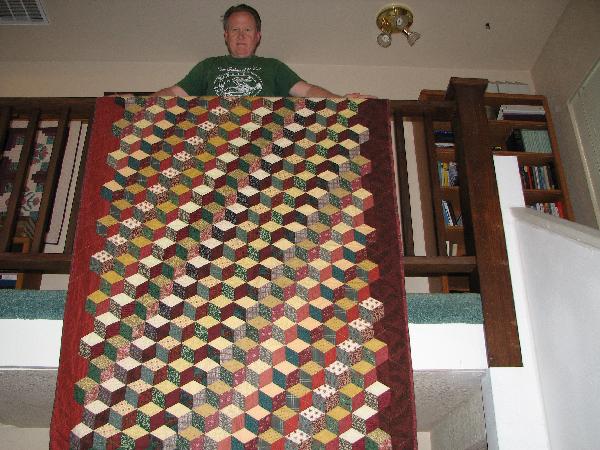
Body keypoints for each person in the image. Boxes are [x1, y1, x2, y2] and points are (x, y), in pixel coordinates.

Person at [156, 4, 358, 98]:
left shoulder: (273, 67)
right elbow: (173, 93)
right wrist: (138, 103)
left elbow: (307, 91)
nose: (241, 35)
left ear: (257, 36)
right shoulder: (207, 66)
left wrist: (342, 101)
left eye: (247, 30)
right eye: (235, 30)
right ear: (226, 35)